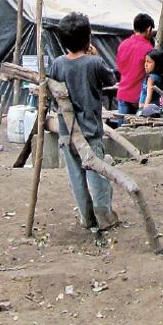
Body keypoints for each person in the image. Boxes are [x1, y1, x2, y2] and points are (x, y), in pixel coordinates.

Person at [48, 12, 119, 231]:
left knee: (76, 178)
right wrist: (96, 55)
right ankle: (104, 217)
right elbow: (111, 79)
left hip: (66, 132)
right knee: (97, 176)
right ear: (88, 38)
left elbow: (52, 92)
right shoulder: (94, 62)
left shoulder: (58, 64)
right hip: (90, 132)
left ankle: (87, 218)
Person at [115, 13, 154, 124]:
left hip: (123, 93)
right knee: (137, 130)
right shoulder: (149, 49)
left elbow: (120, 68)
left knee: (121, 130)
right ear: (149, 29)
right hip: (139, 98)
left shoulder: (123, 45)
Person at [138, 48, 163, 117]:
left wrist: (144, 112)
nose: (145, 65)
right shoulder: (160, 77)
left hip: (148, 109)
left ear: (158, 64)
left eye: (149, 62)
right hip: (155, 108)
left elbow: (148, 96)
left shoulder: (151, 78)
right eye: (145, 61)